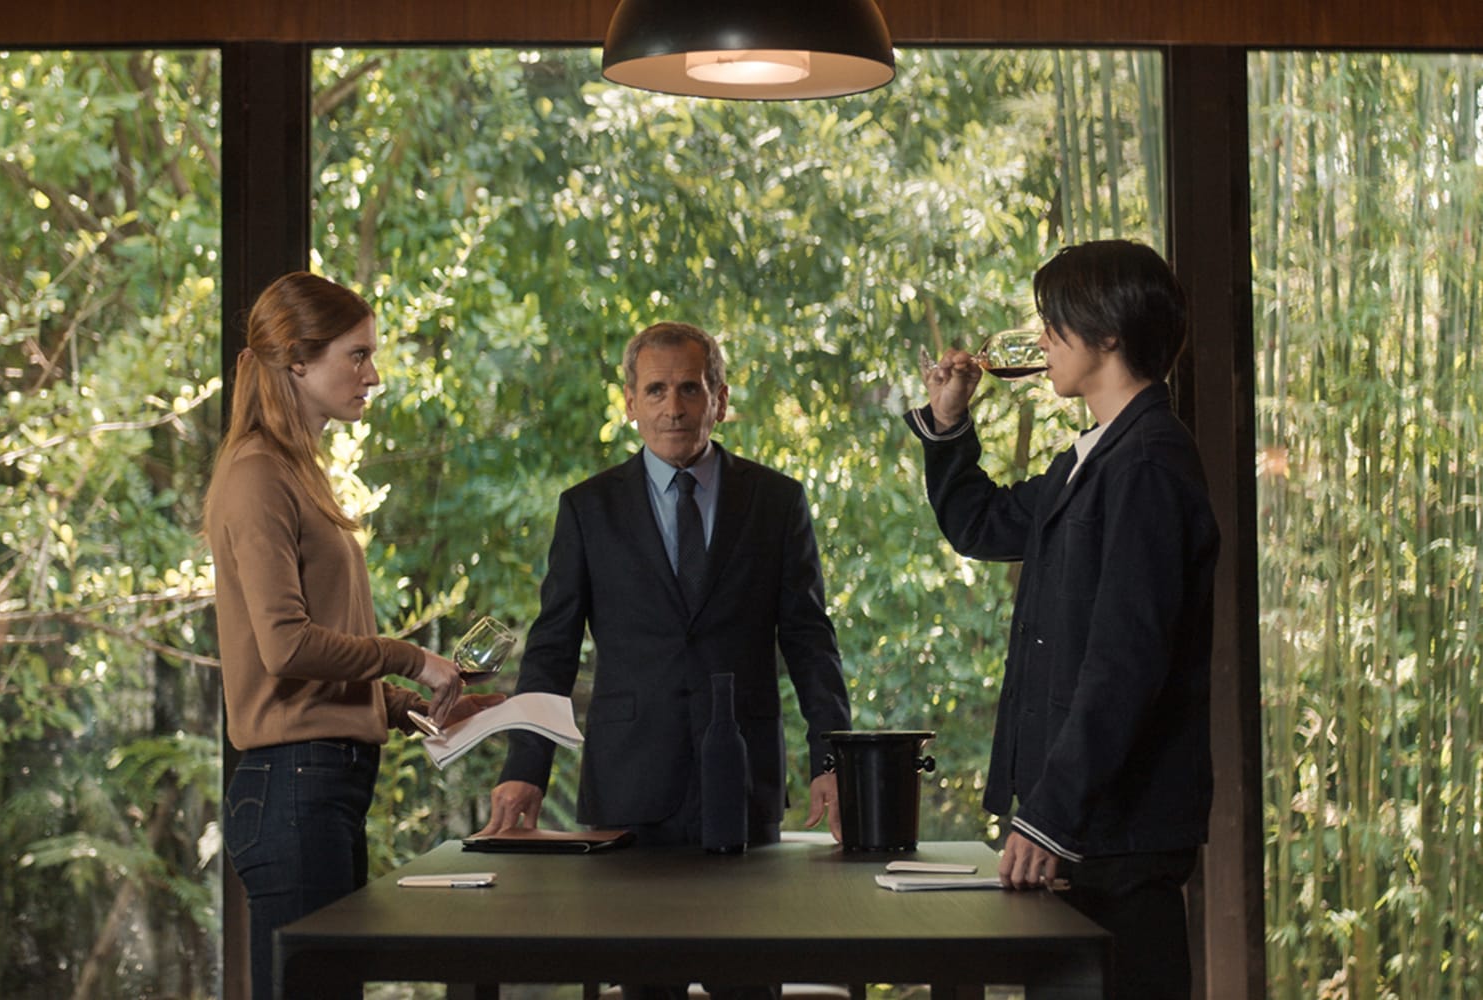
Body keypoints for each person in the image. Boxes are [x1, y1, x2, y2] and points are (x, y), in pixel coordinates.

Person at [480, 321, 852, 998]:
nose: (672, 407)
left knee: (748, 982)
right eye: (655, 390)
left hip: (741, 783)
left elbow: (809, 639)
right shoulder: (587, 509)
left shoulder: (776, 502)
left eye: (690, 388)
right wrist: (525, 768)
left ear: (721, 397)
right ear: (629, 401)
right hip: (628, 787)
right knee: (643, 985)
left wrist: (832, 756)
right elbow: (552, 649)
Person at [905, 240, 1219, 1000]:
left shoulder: (1147, 462)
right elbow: (981, 525)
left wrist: (1046, 818)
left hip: (1120, 831)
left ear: (1107, 332)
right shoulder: (1091, 458)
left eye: (1054, 321)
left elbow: (1125, 664)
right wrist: (949, 423)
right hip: (1086, 831)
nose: (1040, 338)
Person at [204, 271, 505, 1000]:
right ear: (299, 361)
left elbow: (307, 674)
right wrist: (413, 660)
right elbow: (285, 648)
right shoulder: (256, 476)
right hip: (292, 790)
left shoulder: (298, 473)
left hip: (321, 785)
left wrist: (410, 710)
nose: (374, 375)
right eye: (359, 355)